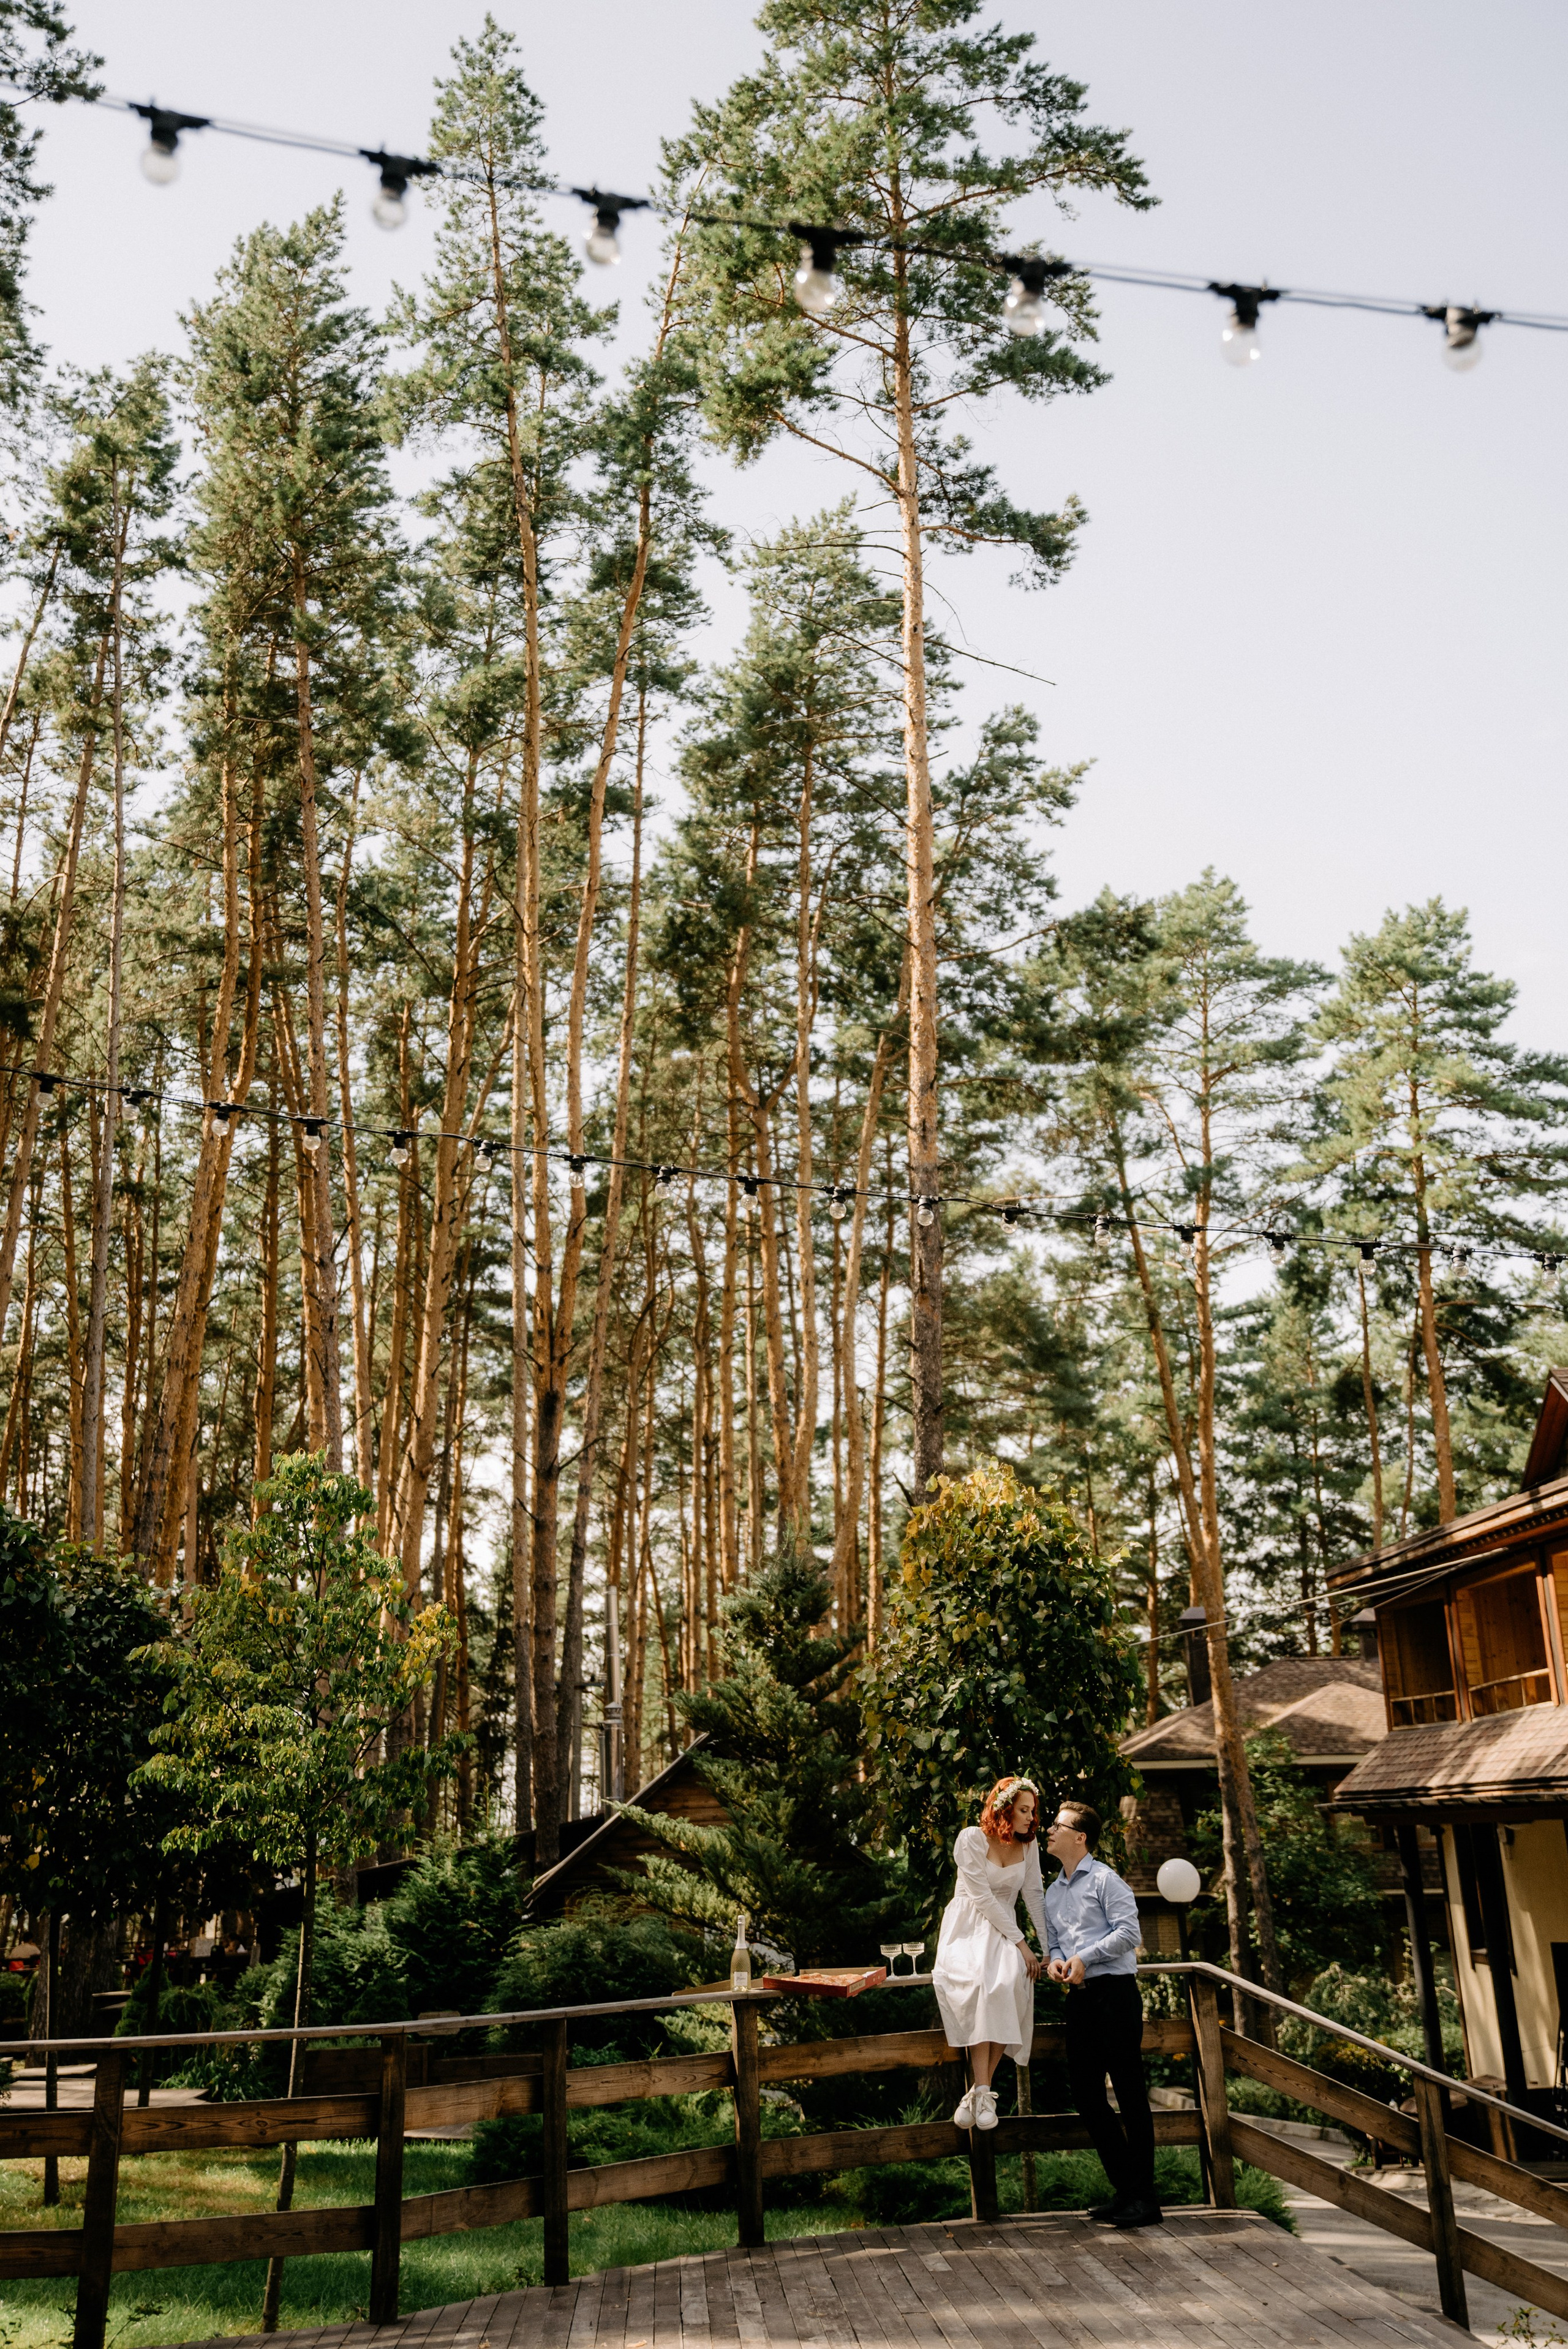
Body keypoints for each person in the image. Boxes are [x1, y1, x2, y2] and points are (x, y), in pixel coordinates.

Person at [1044, 1799, 1159, 2229]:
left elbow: (1130, 1933)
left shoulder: (1108, 1881)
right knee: (1088, 2097)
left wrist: (1083, 1957)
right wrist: (1057, 1961)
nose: (1050, 1831)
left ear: (1081, 1837)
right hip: (1080, 2001)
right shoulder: (1052, 1891)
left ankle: (1145, 2199)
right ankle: (1128, 2190)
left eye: (1059, 1825)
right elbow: (1055, 1942)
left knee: (1130, 2096)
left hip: (1115, 1995)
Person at [932, 1775, 1047, 2132]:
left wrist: (1050, 1948)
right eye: (1024, 1810)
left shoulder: (1029, 1847)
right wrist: (1024, 1944)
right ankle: (982, 2092)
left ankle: (979, 2092)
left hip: (1006, 1931)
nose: (1031, 1817)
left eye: (1032, 1811)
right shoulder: (971, 1839)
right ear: (1005, 1809)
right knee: (982, 1983)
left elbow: (1035, 1898)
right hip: (969, 1926)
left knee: (1011, 1983)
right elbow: (982, 1899)